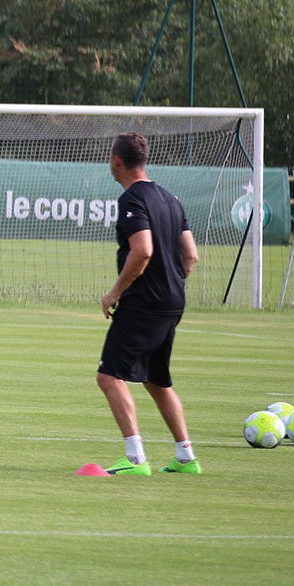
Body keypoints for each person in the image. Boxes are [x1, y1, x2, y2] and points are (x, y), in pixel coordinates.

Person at [96, 131, 201, 475]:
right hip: (172, 301)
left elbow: (142, 250)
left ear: (116, 161)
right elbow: (191, 256)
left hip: (144, 303)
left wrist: (115, 292)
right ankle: (185, 457)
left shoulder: (132, 199)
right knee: (157, 380)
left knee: (109, 376)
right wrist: (171, 285)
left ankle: (135, 458)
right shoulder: (170, 198)